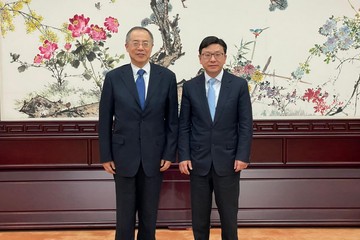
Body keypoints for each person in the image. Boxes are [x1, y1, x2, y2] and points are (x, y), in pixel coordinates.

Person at [98, 26, 178, 240]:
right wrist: (106, 156)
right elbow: (105, 120)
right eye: (135, 43)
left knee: (149, 215)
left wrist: (169, 154)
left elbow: (172, 121)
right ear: (127, 47)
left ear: (152, 47)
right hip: (123, 156)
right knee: (124, 217)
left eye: (145, 43)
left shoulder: (167, 77)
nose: (140, 48)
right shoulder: (114, 77)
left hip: (155, 156)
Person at [178, 36, 253, 240]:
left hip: (229, 161)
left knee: (229, 216)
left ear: (225, 57)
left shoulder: (238, 85)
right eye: (207, 55)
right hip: (197, 161)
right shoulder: (191, 87)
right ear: (200, 58)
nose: (212, 59)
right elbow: (183, 125)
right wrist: (183, 156)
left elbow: (245, 124)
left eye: (217, 54)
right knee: (199, 217)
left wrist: (242, 155)